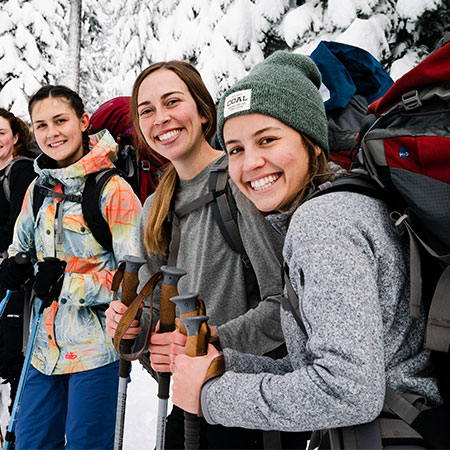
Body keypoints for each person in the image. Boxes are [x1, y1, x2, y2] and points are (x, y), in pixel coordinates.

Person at [169, 52, 442, 446]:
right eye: (235, 149)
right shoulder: (346, 204)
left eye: (267, 139)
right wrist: (226, 364)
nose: (250, 164)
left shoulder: (324, 222)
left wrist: (212, 398)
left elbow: (347, 390)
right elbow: (323, 367)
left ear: (312, 141)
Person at [105, 60, 304, 449]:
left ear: (202, 110)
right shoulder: (155, 206)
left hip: (252, 405)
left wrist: (211, 343)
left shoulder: (241, 181)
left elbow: (285, 304)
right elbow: (153, 314)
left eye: (172, 102)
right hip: (191, 403)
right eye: (147, 111)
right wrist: (133, 327)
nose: (161, 118)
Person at [1, 85, 142, 449]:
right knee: (31, 442)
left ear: (82, 122)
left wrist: (68, 285)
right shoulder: (38, 188)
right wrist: (17, 266)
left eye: (61, 120)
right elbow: (23, 247)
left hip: (95, 350)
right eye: (42, 125)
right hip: (42, 351)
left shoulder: (113, 191)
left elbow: (137, 277)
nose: (53, 133)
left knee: (86, 444)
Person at [0, 108, 36, 414]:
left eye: (1, 132)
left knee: (13, 355)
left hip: (13, 276)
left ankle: (19, 427)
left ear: (15, 137)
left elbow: (18, 230)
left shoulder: (21, 170)